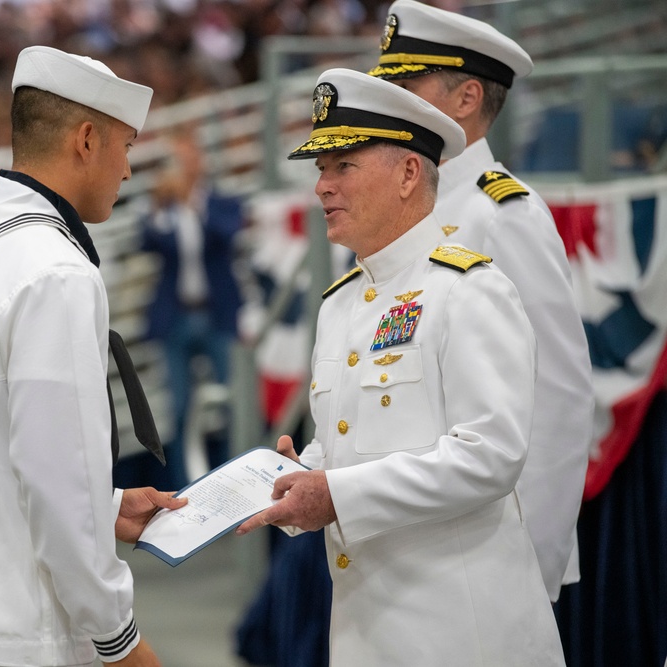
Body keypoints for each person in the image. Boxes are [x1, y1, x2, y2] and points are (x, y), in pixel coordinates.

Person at [236, 68, 565, 665]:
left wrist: (335, 493)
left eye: (343, 167)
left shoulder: (469, 289)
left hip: (462, 633)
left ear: (409, 173)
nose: (322, 188)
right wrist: (300, 474)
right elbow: (353, 443)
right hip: (367, 629)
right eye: (320, 170)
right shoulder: (340, 304)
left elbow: (490, 455)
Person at [0, 46, 185, 667]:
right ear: (87, 139)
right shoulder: (53, 269)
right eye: (125, 147)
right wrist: (118, 638)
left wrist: (103, 504)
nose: (129, 171)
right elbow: (54, 474)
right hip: (20, 631)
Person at [368, 0, 593, 602]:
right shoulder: (402, 203)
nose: (391, 100)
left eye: (407, 83)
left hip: (490, 560)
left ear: (467, 99)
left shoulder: (502, 214)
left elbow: (560, 400)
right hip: (404, 550)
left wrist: (532, 568)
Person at [138, 133, 245, 489]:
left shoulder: (218, 202)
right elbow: (147, 242)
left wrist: (193, 204)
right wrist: (159, 203)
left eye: (186, 160)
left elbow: (226, 235)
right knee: (180, 408)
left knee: (233, 402)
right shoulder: (163, 209)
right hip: (177, 318)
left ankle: (240, 483)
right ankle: (186, 490)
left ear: (200, 163)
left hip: (216, 316)